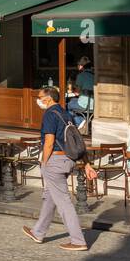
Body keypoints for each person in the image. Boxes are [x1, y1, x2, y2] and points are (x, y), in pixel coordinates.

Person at [22, 86, 93, 251]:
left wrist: (44, 163)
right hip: (68, 160)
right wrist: (87, 164)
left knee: (63, 202)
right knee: (50, 196)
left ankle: (77, 241)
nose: (38, 100)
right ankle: (38, 232)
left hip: (55, 160)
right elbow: (77, 140)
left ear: (47, 99)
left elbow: (49, 141)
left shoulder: (49, 114)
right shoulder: (66, 113)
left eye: (39, 97)